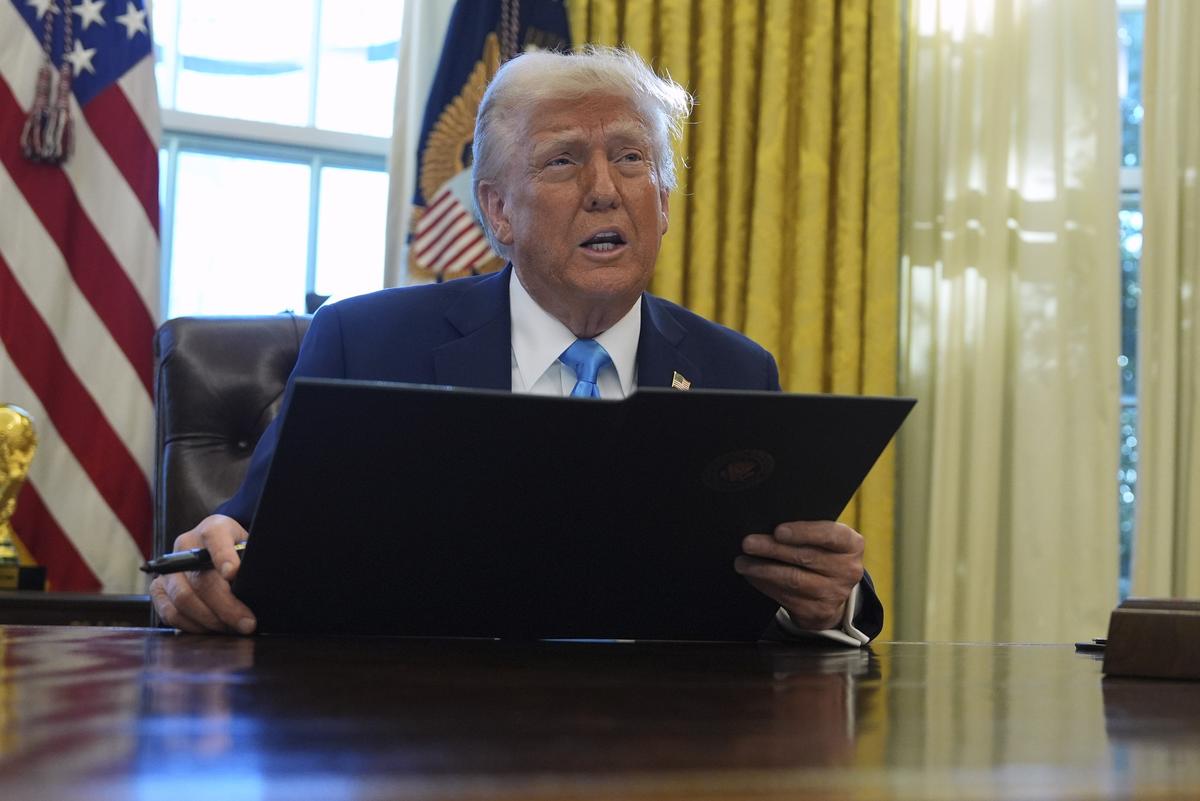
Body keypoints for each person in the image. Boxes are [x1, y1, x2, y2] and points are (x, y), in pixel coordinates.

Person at [150, 47, 883, 646]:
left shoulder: (736, 370)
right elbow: (238, 540)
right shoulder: (365, 342)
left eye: (631, 159)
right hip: (413, 738)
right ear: (498, 212)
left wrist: (824, 600)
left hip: (663, 750)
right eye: (563, 161)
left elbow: (791, 572)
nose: (604, 190)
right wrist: (202, 568)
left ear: (662, 203)